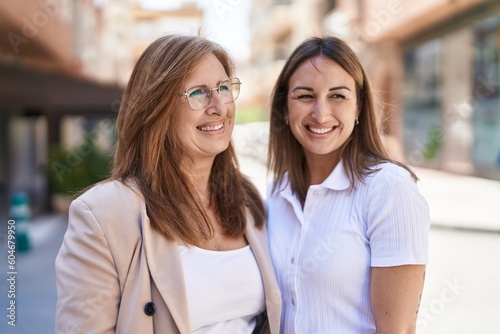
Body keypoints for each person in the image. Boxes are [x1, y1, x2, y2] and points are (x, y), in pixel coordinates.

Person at [55, 34, 281, 334]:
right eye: (198, 93)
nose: (218, 106)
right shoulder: (102, 214)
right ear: (156, 108)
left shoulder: (248, 199)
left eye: (224, 88)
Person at [266, 35, 430, 333]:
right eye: (305, 96)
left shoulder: (389, 189)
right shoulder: (275, 193)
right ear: (283, 108)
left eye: (338, 96)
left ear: (358, 108)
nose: (320, 113)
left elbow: (399, 328)